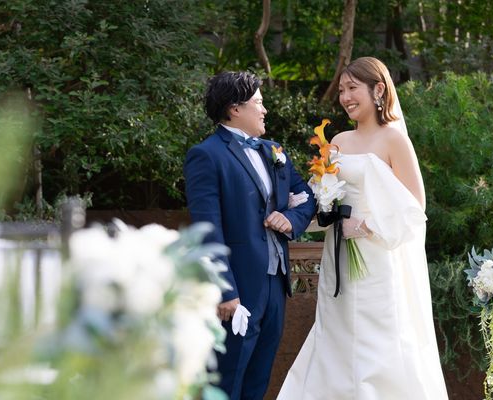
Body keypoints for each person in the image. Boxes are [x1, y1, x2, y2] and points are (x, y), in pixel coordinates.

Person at [278, 57, 449, 399]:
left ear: (378, 89)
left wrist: (365, 226)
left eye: (352, 88)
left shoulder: (394, 140)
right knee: (335, 331)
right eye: (342, 90)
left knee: (377, 337)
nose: (344, 97)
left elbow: (415, 206)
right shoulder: (339, 140)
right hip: (339, 255)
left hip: (376, 257)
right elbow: (322, 193)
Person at [184, 71, 316, 400]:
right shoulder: (206, 155)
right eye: (258, 102)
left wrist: (290, 219)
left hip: (276, 284)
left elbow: (306, 196)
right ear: (235, 109)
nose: (264, 109)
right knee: (227, 380)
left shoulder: (274, 151)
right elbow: (207, 228)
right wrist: (225, 290)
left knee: (259, 377)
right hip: (238, 289)